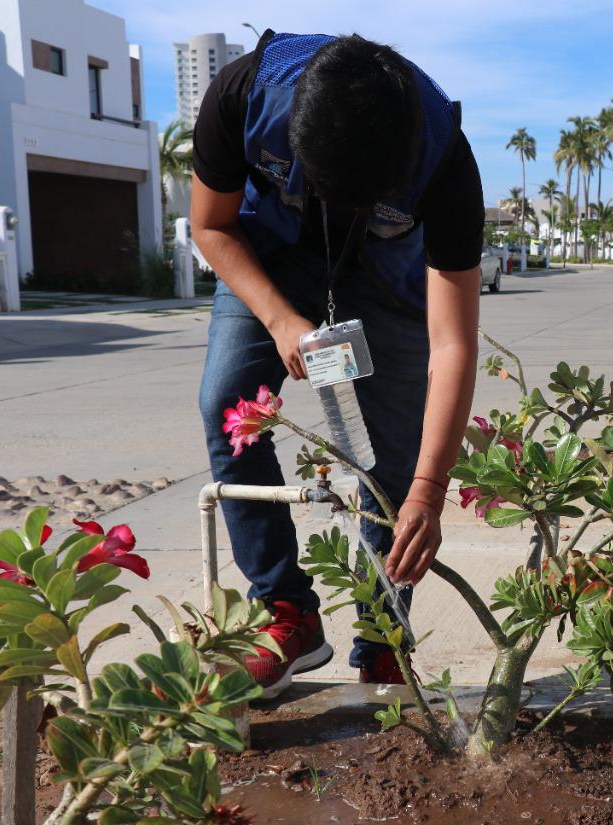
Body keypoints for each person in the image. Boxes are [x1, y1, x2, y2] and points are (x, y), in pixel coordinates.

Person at [193, 31, 482, 698]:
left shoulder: (446, 164)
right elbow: (210, 224)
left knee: (392, 467)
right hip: (270, 256)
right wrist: (279, 318)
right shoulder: (239, 96)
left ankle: (381, 639)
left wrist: (431, 490)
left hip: (386, 284)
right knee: (223, 403)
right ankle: (288, 612)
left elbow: (453, 343)